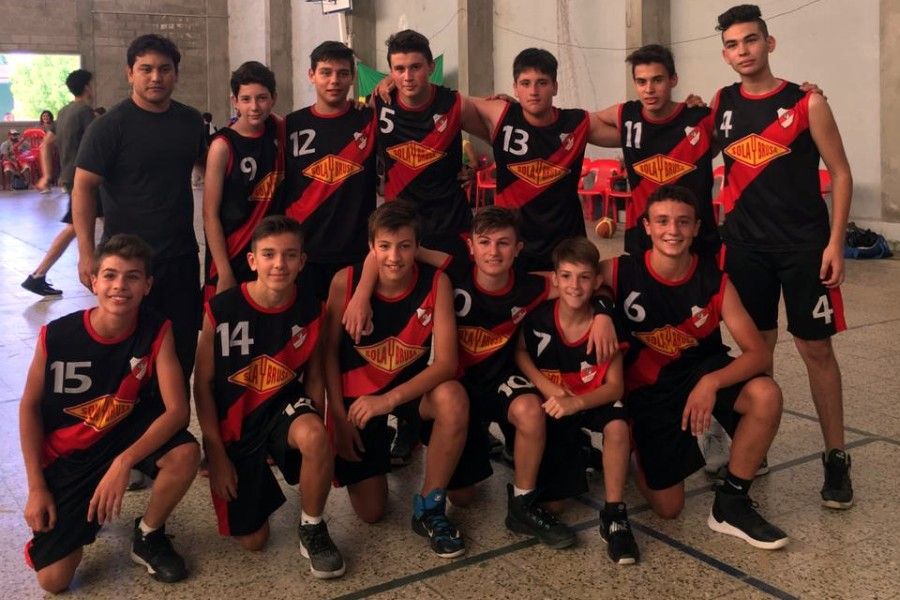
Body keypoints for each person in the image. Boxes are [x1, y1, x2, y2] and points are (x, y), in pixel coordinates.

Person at [345, 206, 617, 549]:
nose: (493, 251)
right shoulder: (453, 270)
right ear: (470, 246)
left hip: (500, 381)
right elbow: (388, 248)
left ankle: (522, 503)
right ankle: (460, 462)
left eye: (504, 243)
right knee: (463, 498)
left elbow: (591, 278)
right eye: (485, 242)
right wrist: (361, 291)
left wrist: (603, 312)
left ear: (518, 249)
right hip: (456, 387)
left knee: (531, 410)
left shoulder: (531, 285)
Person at [713, 4, 854, 508]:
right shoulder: (721, 103)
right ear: (725, 54)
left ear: (768, 43)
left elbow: (841, 173)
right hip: (745, 248)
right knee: (758, 350)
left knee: (816, 351)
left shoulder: (807, 102)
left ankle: (836, 456)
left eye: (750, 40)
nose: (743, 51)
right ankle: (757, 445)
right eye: (732, 44)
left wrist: (835, 243)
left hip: (803, 249)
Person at [603, 184, 787, 549]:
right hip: (649, 391)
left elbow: (758, 354)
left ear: (697, 227)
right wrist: (599, 311)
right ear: (647, 226)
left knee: (766, 394)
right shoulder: (619, 271)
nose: (673, 230)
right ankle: (635, 448)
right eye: (662, 221)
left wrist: (711, 383)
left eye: (683, 222)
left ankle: (731, 502)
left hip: (700, 373)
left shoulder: (715, 281)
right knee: (669, 508)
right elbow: (566, 283)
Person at [19, 234, 200, 593]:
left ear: (147, 285)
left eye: (132, 276)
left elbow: (178, 411)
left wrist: (123, 462)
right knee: (54, 581)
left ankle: (148, 535)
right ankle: (78, 517)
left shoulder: (157, 329)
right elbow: (29, 407)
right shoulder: (57, 336)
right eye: (110, 275)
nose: (120, 285)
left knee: (185, 453)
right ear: (93, 281)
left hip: (123, 433)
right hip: (70, 456)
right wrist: (36, 487)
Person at [193, 216, 345, 578]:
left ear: (302, 261)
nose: (280, 264)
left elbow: (315, 379)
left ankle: (312, 527)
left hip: (282, 409)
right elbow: (202, 385)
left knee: (314, 436)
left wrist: (321, 440)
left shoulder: (312, 309)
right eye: (269, 254)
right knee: (254, 540)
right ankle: (256, 474)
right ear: (252, 261)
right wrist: (215, 452)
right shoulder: (221, 309)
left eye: (290, 255)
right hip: (237, 423)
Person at [324, 201, 469, 559]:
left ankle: (430, 507)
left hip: (407, 394)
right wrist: (337, 418)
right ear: (371, 248)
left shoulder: (437, 282)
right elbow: (326, 356)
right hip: (358, 401)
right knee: (371, 512)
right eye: (385, 246)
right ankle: (382, 443)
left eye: (404, 246)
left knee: (453, 398)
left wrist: (388, 400)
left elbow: (446, 363)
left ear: (417, 247)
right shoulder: (345, 282)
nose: (394, 257)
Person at [73, 33, 207, 380]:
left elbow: (213, 167)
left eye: (164, 69)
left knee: (181, 352)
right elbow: (83, 188)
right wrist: (86, 253)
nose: (156, 77)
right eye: (146, 69)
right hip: (126, 263)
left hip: (179, 259)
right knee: (129, 357)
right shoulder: (109, 127)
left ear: (176, 74)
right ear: (129, 73)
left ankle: (174, 415)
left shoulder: (191, 122)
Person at [516, 237, 638, 564]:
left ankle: (614, 515)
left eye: (584, 277)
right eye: (567, 276)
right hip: (557, 401)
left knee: (617, 425)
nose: (575, 285)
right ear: (555, 279)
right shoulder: (538, 318)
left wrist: (577, 404)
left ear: (597, 282)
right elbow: (520, 352)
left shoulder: (606, 326)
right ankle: (582, 451)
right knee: (554, 506)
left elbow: (615, 387)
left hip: (589, 399)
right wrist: (545, 386)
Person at [593, 45, 720, 257]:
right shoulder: (626, 116)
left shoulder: (701, 118)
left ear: (673, 80)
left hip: (698, 237)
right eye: (641, 82)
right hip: (643, 236)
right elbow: (582, 125)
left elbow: (730, 136)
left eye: (657, 80)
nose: (649, 89)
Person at [281, 40, 377, 302]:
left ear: (352, 77)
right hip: (303, 251)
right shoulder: (290, 125)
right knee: (308, 325)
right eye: (326, 72)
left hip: (355, 250)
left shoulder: (368, 120)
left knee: (349, 325)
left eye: (342, 73)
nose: (334, 80)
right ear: (311, 75)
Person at [202, 61, 283, 301]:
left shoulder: (278, 130)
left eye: (262, 98)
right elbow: (209, 214)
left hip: (269, 255)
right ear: (234, 101)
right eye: (246, 99)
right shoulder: (222, 146)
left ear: (273, 99)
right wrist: (224, 271)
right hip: (232, 254)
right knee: (221, 319)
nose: (254, 107)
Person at [22, 69, 98, 297]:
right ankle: (39, 275)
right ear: (87, 87)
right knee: (81, 226)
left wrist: (46, 175)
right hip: (86, 180)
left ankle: (38, 276)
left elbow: (45, 144)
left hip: (70, 178)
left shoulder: (64, 111)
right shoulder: (85, 112)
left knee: (76, 226)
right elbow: (97, 143)